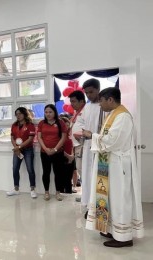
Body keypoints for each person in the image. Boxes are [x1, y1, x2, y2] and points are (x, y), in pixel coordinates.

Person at [83, 87, 144, 247]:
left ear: (110, 100)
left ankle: (124, 237)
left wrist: (91, 136)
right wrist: (96, 137)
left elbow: (113, 141)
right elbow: (107, 139)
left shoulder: (123, 116)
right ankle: (111, 229)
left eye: (101, 101)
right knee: (108, 198)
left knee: (119, 200)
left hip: (118, 167)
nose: (100, 105)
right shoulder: (113, 115)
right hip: (108, 165)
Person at [73, 79, 104, 217]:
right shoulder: (88, 107)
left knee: (99, 178)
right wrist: (80, 133)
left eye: (91, 92)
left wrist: (93, 135)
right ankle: (90, 207)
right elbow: (80, 123)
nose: (89, 95)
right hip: (87, 146)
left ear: (98, 89)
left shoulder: (105, 106)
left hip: (101, 147)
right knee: (87, 177)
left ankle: (100, 207)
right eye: (86, 93)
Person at [37, 104, 67, 201]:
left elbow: (63, 137)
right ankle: (46, 192)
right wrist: (45, 149)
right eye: (46, 112)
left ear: (54, 112)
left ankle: (58, 192)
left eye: (50, 112)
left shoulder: (61, 123)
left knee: (58, 173)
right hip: (44, 152)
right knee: (46, 172)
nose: (48, 114)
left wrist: (54, 149)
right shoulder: (41, 123)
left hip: (58, 152)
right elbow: (39, 137)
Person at [6, 107, 37, 198]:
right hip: (17, 150)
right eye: (16, 114)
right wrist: (16, 147)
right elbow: (12, 137)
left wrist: (19, 147)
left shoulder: (30, 125)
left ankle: (32, 189)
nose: (18, 116)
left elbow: (30, 139)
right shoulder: (14, 125)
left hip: (27, 150)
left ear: (24, 114)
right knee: (15, 169)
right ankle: (16, 189)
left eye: (20, 113)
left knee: (30, 169)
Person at [68, 90, 86, 192]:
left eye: (74, 101)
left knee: (82, 170)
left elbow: (89, 129)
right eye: (71, 101)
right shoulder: (76, 112)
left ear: (82, 101)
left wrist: (80, 134)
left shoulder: (86, 112)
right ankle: (85, 195)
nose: (71, 104)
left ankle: (86, 196)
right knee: (79, 170)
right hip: (76, 145)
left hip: (82, 145)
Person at [59, 114, 74, 194]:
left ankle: (69, 193)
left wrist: (71, 156)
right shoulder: (59, 135)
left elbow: (72, 146)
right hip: (62, 158)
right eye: (65, 125)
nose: (67, 127)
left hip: (70, 158)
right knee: (62, 179)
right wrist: (68, 156)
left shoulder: (69, 134)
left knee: (68, 179)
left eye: (68, 125)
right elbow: (59, 148)